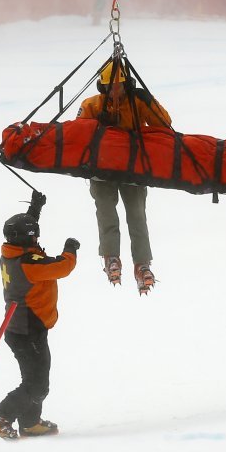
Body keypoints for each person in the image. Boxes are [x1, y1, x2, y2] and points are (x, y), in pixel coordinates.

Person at [0, 190, 79, 440]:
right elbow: (63, 267)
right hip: (27, 329)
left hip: (24, 327)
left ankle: (30, 422)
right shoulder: (30, 263)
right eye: (34, 235)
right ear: (29, 239)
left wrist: (35, 209)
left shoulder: (11, 252)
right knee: (36, 384)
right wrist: (70, 249)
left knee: (37, 377)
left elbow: (25, 232)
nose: (37, 238)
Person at [76, 60, 172, 294]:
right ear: (103, 86)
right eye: (110, 85)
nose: (115, 90)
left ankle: (142, 264)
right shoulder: (91, 105)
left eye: (119, 84)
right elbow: (77, 134)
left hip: (132, 167)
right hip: (102, 169)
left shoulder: (137, 103)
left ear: (127, 83)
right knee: (106, 211)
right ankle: (111, 258)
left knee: (137, 215)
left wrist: (149, 100)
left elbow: (165, 124)